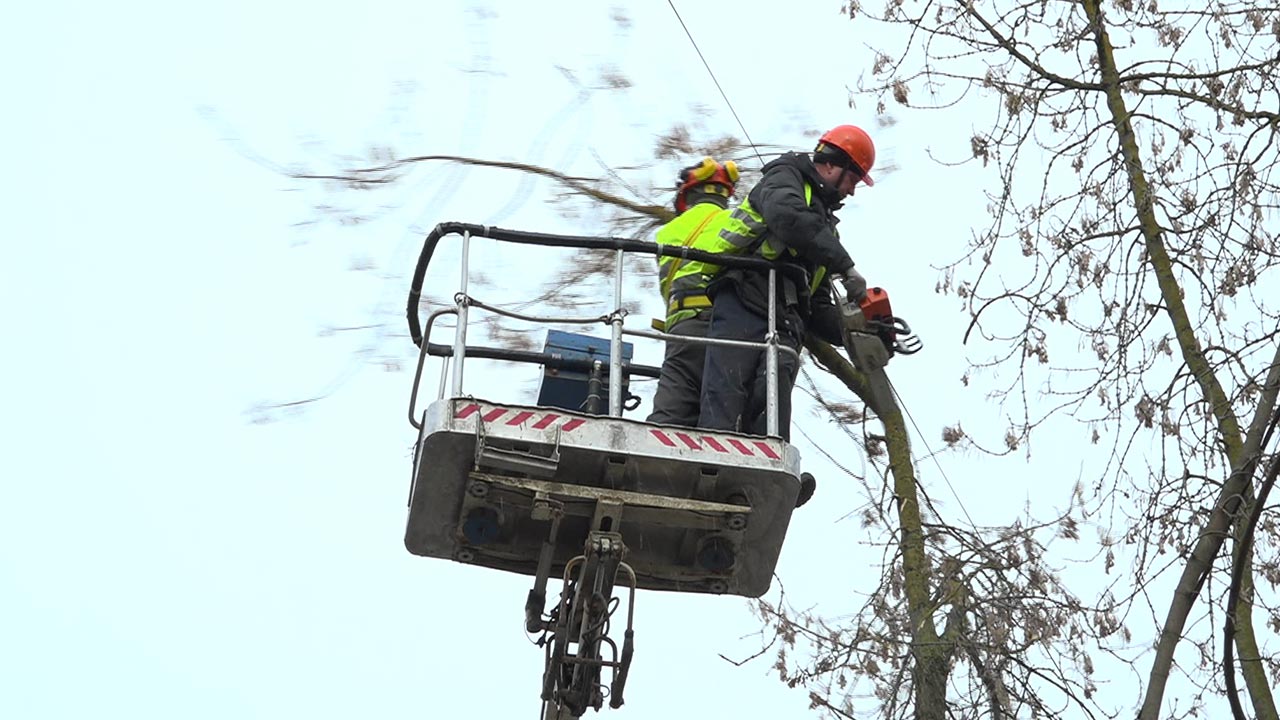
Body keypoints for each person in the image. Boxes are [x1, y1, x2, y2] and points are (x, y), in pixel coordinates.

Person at [695, 124, 876, 443]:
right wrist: (846, 267)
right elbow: (786, 217)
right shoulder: (784, 178)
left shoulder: (825, 233)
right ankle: (714, 463)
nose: (851, 191)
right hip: (744, 299)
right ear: (832, 164)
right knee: (726, 394)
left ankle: (765, 472)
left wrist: (862, 329)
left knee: (771, 409)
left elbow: (818, 306)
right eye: (853, 179)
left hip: (786, 320)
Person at [646, 157, 739, 427]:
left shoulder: (667, 232)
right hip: (724, 325)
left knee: (671, 411)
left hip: (681, 328)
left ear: (687, 194)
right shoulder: (736, 220)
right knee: (723, 413)